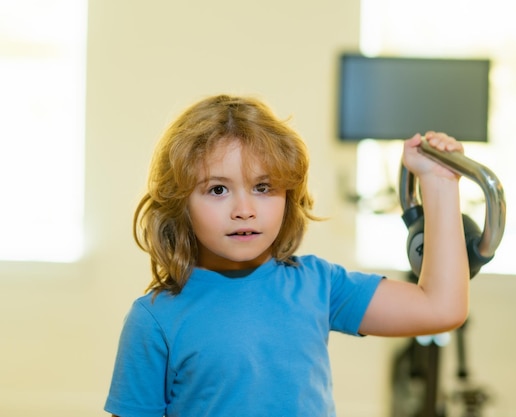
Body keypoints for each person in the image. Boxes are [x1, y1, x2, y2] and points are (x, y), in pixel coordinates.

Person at [104, 94, 469, 417]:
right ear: (180, 204)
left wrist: (438, 185)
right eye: (218, 189)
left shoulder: (318, 284)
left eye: (263, 187)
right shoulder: (153, 320)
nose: (244, 209)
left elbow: (442, 307)